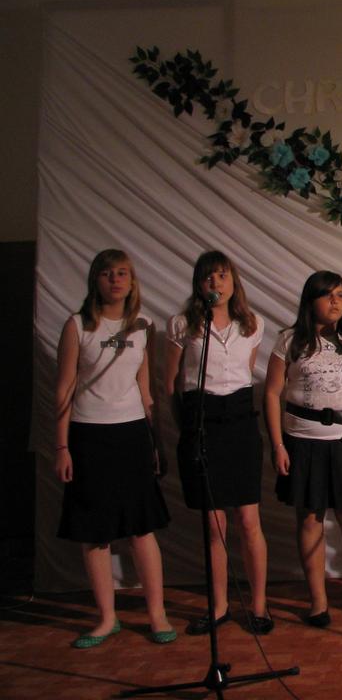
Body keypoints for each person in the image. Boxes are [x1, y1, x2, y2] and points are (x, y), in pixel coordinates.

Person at [54, 249, 175, 647]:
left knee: (141, 528)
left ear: (132, 280)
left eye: (122, 273)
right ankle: (107, 618)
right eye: (107, 273)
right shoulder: (77, 325)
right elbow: (64, 388)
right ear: (96, 279)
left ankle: (156, 613)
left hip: (132, 434)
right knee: (96, 532)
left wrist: (155, 440)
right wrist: (62, 446)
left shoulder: (143, 325)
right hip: (88, 435)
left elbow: (146, 388)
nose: (116, 280)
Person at [265, 271, 342, 626]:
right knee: (310, 519)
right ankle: (318, 601)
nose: (335, 301)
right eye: (328, 295)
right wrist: (277, 444)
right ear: (310, 300)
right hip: (304, 441)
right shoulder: (289, 340)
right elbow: (271, 392)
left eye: (341, 295)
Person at [165, 250, 272, 635]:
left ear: (233, 281)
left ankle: (258, 605)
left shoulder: (252, 324)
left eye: (223, 276)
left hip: (240, 424)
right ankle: (219, 606)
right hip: (202, 422)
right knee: (214, 525)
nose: (216, 283)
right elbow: (171, 382)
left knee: (248, 519)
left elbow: (246, 373)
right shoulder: (183, 324)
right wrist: (187, 427)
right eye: (209, 277)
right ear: (199, 283)